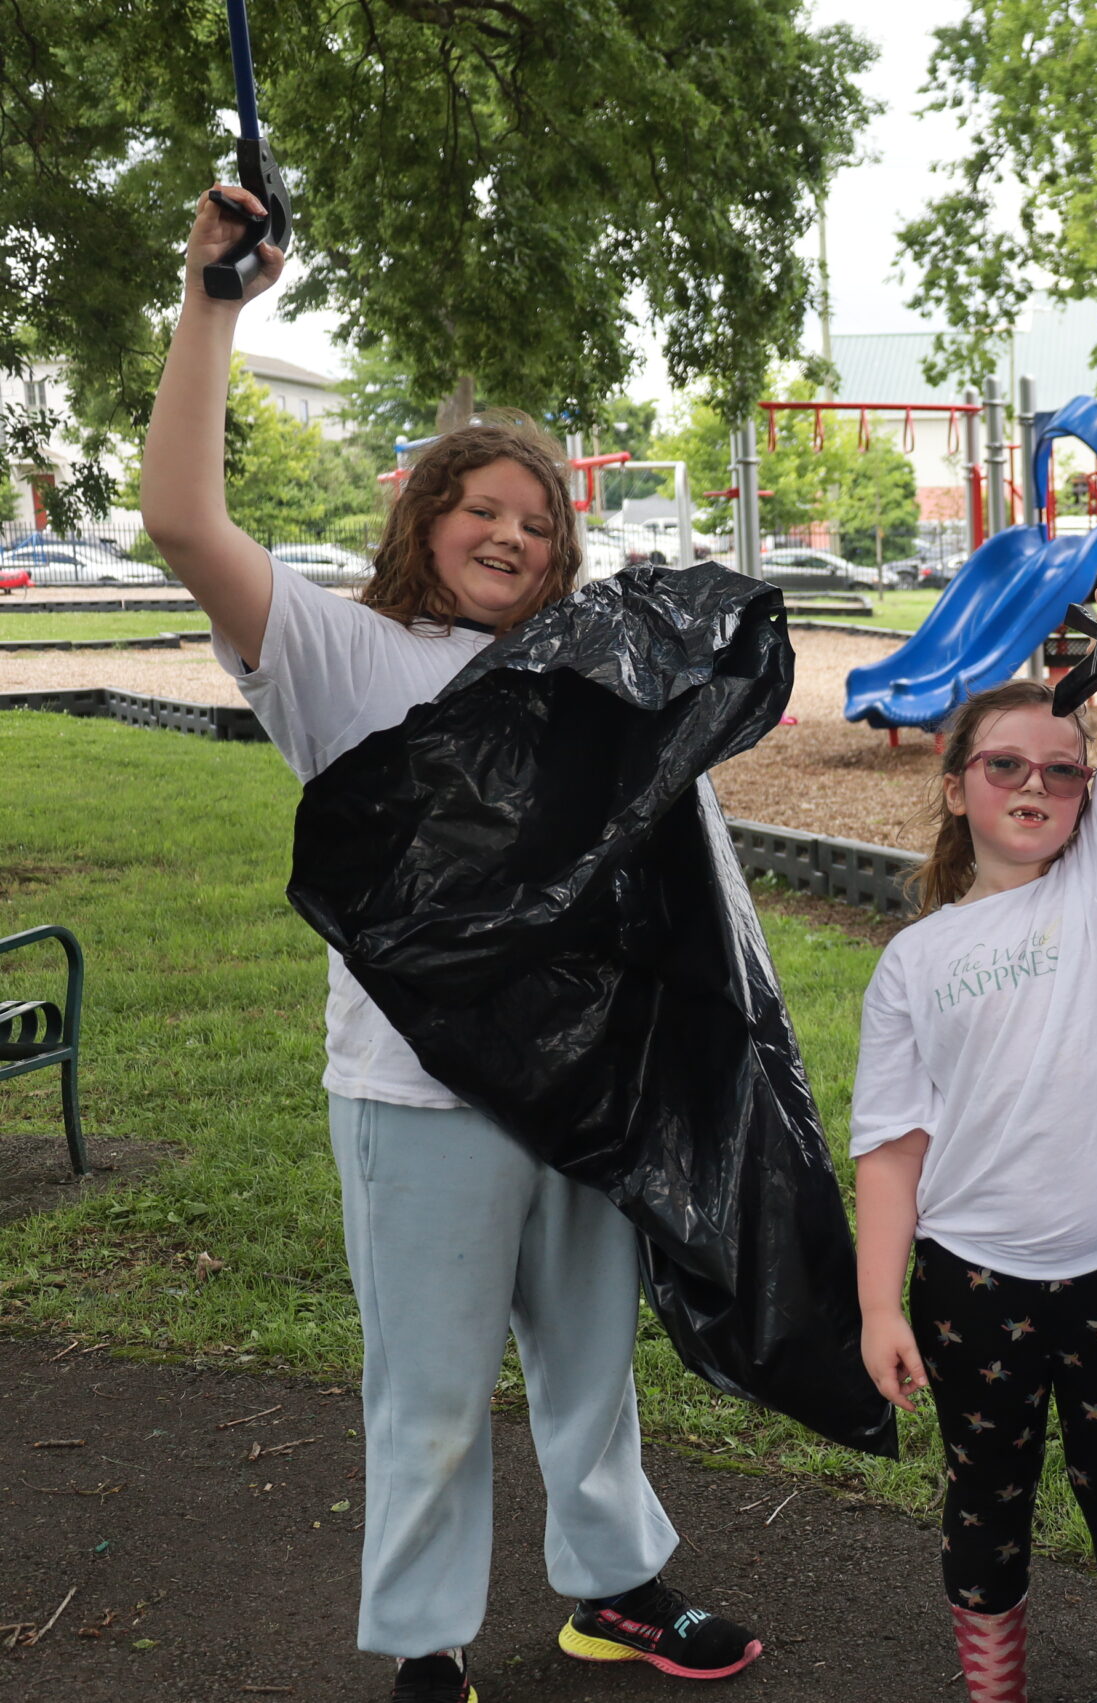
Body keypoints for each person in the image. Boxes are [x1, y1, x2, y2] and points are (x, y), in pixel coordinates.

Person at [138, 187, 761, 1703]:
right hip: (420, 1105)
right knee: (425, 1390)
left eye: (540, 523)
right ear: (425, 520)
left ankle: (611, 1583)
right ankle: (422, 1639)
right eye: (483, 508)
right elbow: (179, 519)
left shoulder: (589, 681)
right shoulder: (343, 660)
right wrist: (212, 304)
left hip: (589, 1093)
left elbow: (687, 877)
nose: (512, 533)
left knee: (591, 1371)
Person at [848, 483, 1097, 1703]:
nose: (1035, 784)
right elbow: (891, 1144)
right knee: (984, 1500)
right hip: (970, 1279)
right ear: (956, 784)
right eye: (1004, 765)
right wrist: (882, 1304)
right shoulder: (912, 960)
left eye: (1058, 768)